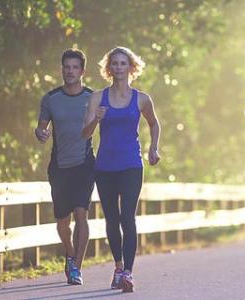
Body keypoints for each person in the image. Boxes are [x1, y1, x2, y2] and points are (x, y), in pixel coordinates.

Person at [82, 46, 161, 293]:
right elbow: (84, 133)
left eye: (122, 63)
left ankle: (128, 272)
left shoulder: (141, 98)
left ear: (131, 67)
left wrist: (153, 148)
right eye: (114, 63)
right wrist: (96, 118)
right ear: (109, 68)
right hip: (104, 166)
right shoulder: (97, 98)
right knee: (112, 218)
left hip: (131, 165)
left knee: (127, 216)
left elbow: (154, 123)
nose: (118, 67)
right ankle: (117, 267)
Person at [35, 48, 95, 285]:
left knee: (82, 213)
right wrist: (40, 133)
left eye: (74, 68)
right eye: (66, 67)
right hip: (59, 166)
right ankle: (69, 253)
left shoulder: (92, 97)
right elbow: (41, 128)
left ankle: (76, 268)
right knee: (62, 221)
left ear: (82, 71)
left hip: (85, 164)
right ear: (62, 69)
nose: (70, 72)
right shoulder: (51, 98)